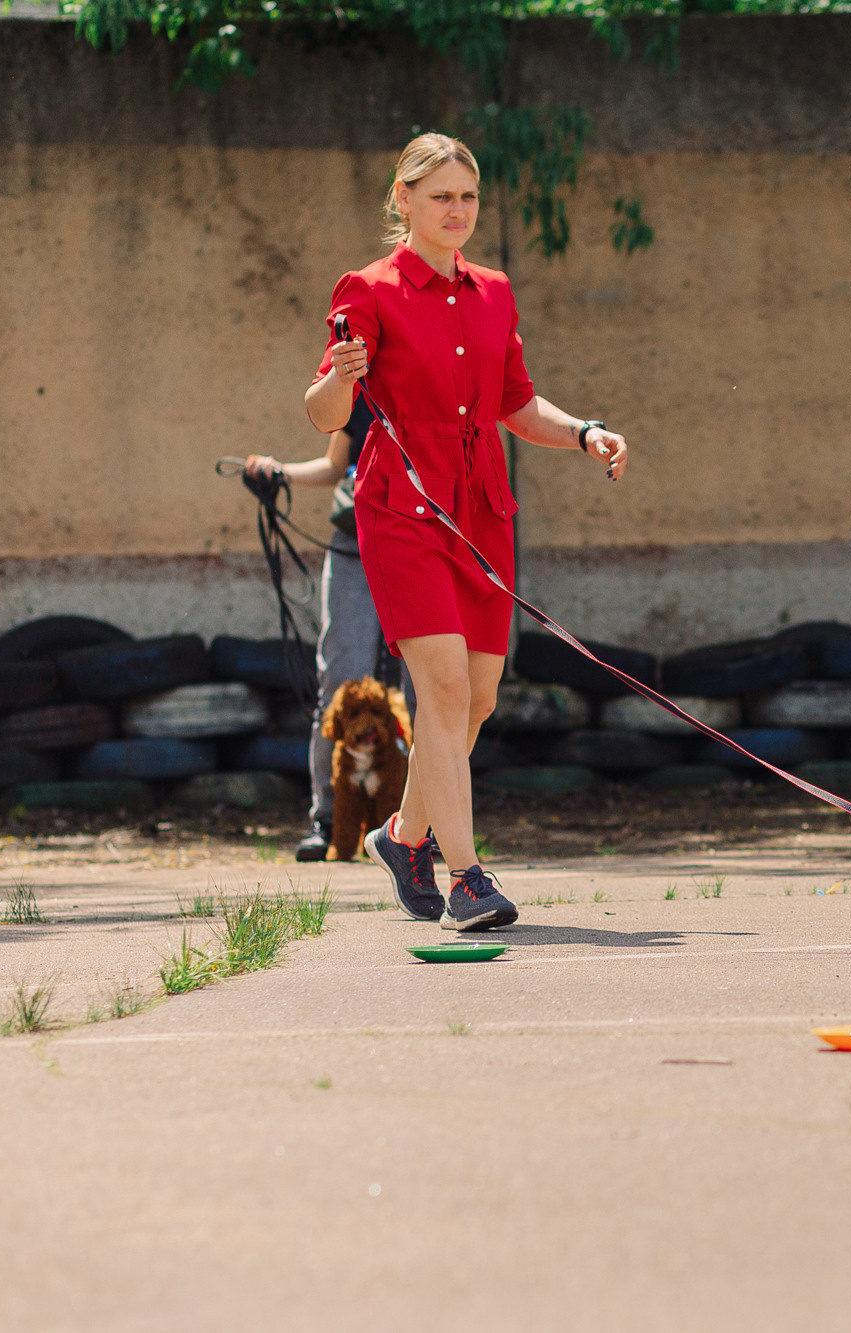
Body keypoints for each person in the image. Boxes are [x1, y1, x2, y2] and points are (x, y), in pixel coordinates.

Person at [305, 132, 629, 931]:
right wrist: (337, 382)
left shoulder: (494, 290)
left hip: (482, 505)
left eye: (469, 197)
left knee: (476, 699)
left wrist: (584, 431)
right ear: (403, 199)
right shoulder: (369, 289)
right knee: (442, 690)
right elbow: (323, 414)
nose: (458, 210)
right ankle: (467, 876)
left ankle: (404, 835)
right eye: (441, 195)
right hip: (401, 506)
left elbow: (516, 404)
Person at [244, 399, 409, 864]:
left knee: (424, 689)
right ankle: (327, 817)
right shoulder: (362, 390)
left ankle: (421, 824)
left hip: (421, 537)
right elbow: (337, 465)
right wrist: (281, 472)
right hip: (354, 540)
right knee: (341, 679)